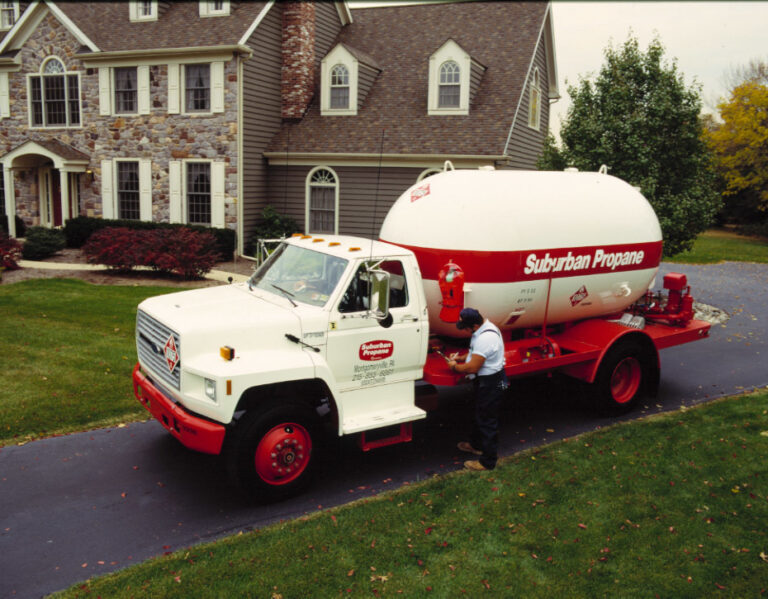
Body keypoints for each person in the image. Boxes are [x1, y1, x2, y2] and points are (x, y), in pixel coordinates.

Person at [447, 308, 507, 471]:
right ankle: (476, 445)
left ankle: (488, 462)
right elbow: (477, 353)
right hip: (488, 380)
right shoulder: (482, 329)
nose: (465, 331)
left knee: (487, 419)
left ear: (474, 325)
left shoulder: (486, 337)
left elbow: (473, 367)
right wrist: (461, 357)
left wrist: (455, 367)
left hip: (492, 382)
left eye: (465, 328)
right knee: (480, 413)